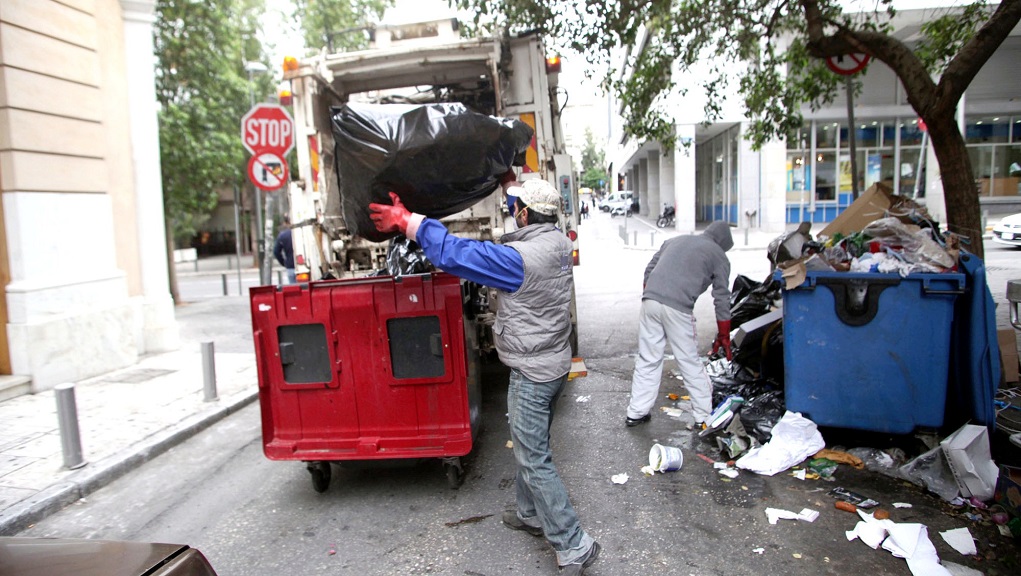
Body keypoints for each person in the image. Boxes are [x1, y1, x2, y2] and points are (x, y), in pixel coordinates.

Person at [368, 174, 600, 575]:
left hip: (532, 371)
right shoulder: (558, 244)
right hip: (553, 362)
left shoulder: (517, 263)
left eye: (515, 207)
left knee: (533, 457)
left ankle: (573, 543)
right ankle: (529, 514)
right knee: (534, 444)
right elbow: (511, 246)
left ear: (524, 214)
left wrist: (409, 221)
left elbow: (455, 255)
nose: (512, 211)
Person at [625, 221, 734, 430]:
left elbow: (649, 269)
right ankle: (703, 416)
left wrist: (653, 294)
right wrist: (724, 333)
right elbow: (722, 298)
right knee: (689, 362)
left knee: (648, 358)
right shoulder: (719, 255)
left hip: (650, 301)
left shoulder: (674, 240)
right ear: (723, 243)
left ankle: (636, 412)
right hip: (678, 308)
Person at [273, 216, 295, 284]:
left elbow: (276, 251)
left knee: (294, 290)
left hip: (290, 266)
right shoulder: (300, 231)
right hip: (305, 267)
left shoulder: (283, 235)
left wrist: (284, 263)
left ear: (285, 223)